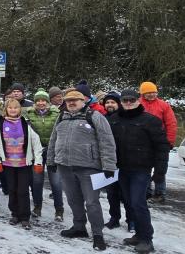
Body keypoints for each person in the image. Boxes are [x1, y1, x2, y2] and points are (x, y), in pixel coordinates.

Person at [47, 90, 117, 251]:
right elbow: (53, 140)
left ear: (83, 101)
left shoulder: (94, 116)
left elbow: (107, 141)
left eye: (75, 100)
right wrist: (51, 160)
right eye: (68, 100)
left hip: (88, 167)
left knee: (92, 202)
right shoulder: (61, 117)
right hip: (65, 166)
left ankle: (98, 234)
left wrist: (109, 165)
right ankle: (79, 227)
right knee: (73, 199)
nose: (71, 102)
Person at [108, 89, 170, 253]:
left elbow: (162, 147)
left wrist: (160, 171)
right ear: (121, 102)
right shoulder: (114, 119)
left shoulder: (151, 121)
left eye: (132, 100)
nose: (128, 103)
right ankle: (138, 234)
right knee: (129, 202)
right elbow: (107, 144)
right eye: (125, 100)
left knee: (138, 202)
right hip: (121, 168)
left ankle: (146, 238)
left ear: (138, 100)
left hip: (141, 169)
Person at [0, 98, 43, 229]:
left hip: (23, 164)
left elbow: (36, 143)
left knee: (23, 190)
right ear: (6, 109)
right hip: (8, 164)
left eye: (15, 108)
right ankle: (15, 214)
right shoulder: (1, 123)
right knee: (12, 189)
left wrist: (38, 162)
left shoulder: (25, 123)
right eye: (10, 108)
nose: (13, 110)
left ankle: (25, 217)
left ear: (19, 109)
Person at [24, 88, 63, 220]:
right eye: (38, 101)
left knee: (56, 182)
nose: (41, 103)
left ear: (48, 102)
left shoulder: (57, 113)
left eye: (43, 100)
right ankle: (37, 207)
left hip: (52, 151)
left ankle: (59, 210)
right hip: (37, 152)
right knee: (37, 181)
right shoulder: (29, 113)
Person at [139, 81, 177, 204]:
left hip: (160, 142)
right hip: (142, 142)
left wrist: (169, 141)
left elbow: (171, 124)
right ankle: (146, 192)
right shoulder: (137, 104)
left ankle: (160, 193)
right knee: (144, 168)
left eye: (154, 92)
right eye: (148, 92)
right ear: (143, 94)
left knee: (160, 169)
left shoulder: (164, 105)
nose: (151, 95)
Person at [100, 91, 132, 231]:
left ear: (118, 104)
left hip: (124, 161)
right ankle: (114, 218)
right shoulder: (102, 118)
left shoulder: (125, 118)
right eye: (107, 102)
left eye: (113, 102)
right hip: (108, 161)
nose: (109, 104)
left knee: (126, 194)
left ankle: (131, 220)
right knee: (111, 193)